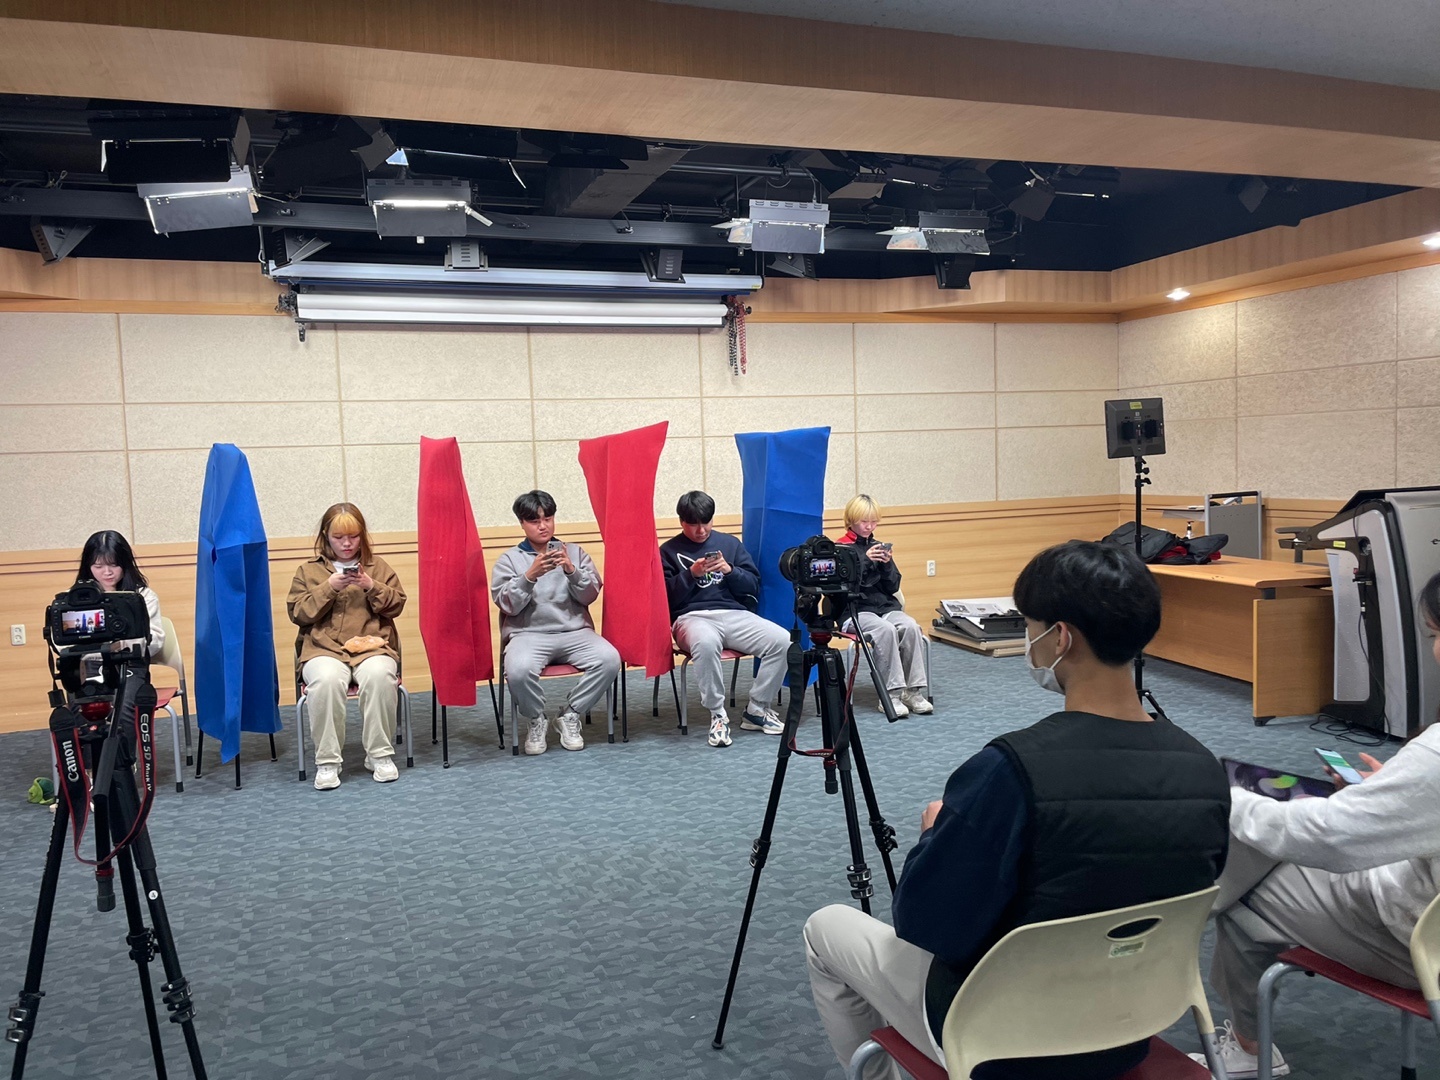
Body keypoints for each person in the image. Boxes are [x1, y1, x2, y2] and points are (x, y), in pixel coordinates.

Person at [804, 540, 1230, 1080]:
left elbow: (926, 926)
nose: (1029, 639)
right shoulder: (1204, 769)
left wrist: (935, 835)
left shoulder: (1010, 771)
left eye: (1030, 625)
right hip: (1131, 1027)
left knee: (825, 929)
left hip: (999, 1038)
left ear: (1061, 638)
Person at [1194, 570, 1440, 1079]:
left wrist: (1228, 800)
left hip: (1421, 946)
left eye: (1435, 634)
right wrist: (1391, 790)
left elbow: (1327, 839)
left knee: (1241, 877)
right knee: (1255, 861)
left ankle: (1242, 1045)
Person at [287, 503, 407, 790]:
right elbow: (298, 613)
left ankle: (380, 755)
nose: (346, 543)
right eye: (338, 537)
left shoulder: (378, 567)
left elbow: (397, 605)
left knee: (380, 675)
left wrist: (370, 585)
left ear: (362, 536)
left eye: (353, 536)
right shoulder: (308, 571)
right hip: (323, 648)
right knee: (326, 680)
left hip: (372, 647)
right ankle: (328, 761)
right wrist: (329, 587)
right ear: (325, 536)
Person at [491, 490, 621, 756]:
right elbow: (507, 605)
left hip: (575, 632)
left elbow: (591, 594)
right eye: (534, 521)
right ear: (522, 523)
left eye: (548, 518)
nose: (543, 526)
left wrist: (571, 571)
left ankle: (570, 713)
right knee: (517, 670)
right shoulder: (509, 560)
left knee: (609, 659)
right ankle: (536, 717)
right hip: (528, 635)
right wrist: (529, 576)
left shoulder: (574, 552)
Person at [659, 490, 790, 748]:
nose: (701, 530)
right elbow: (663, 598)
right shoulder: (668, 551)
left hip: (734, 614)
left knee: (783, 641)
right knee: (706, 643)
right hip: (691, 617)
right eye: (693, 524)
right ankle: (717, 714)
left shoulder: (730, 544)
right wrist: (690, 574)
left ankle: (757, 709)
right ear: (681, 521)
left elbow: (752, 585)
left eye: (706, 522)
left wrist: (730, 571)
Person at [835, 494, 931, 719]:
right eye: (864, 521)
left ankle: (913, 691)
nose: (869, 527)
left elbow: (893, 586)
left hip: (884, 608)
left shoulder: (878, 546)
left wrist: (887, 566)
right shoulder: (839, 548)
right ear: (851, 521)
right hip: (854, 611)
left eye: (874, 522)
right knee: (885, 630)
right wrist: (865, 561)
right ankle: (891, 694)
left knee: (910, 626)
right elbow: (840, 589)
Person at [74, 529, 164, 656]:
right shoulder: (74, 597)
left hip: (130, 661)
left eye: (114, 565)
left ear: (125, 564)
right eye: (98, 566)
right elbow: (62, 644)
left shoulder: (143, 596)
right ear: (88, 567)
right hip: (87, 663)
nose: (107, 572)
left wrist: (122, 645)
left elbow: (156, 641)